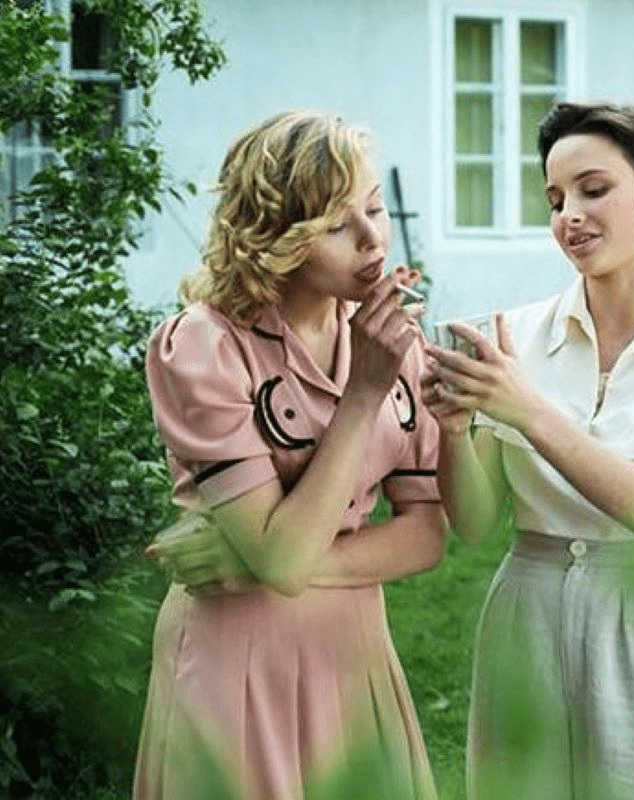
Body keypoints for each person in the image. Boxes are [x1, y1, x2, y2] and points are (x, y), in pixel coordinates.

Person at [422, 102, 634, 800]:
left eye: (593, 189)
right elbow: (475, 523)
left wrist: (526, 410)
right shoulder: (515, 337)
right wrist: (452, 432)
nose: (569, 216)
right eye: (555, 200)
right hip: (526, 614)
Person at [132, 110, 443, 800]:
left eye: (373, 208)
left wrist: (260, 565)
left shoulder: (393, 338)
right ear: (277, 238)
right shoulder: (206, 347)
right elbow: (284, 559)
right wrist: (362, 393)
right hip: (238, 658)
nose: (371, 238)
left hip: (355, 648)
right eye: (336, 225)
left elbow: (425, 536)